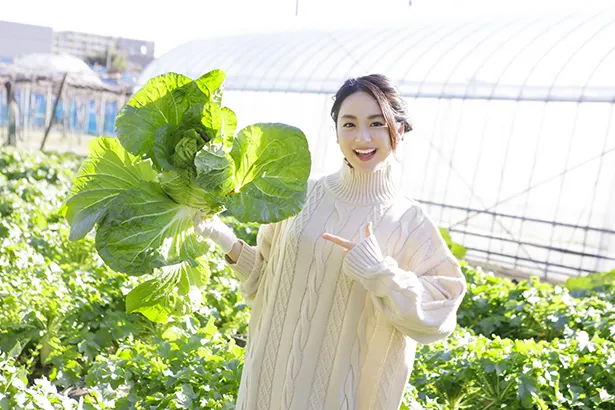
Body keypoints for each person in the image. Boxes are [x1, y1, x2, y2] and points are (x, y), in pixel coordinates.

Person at [194, 74, 467, 410]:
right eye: (349, 124)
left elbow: (439, 316)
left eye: (376, 123)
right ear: (336, 131)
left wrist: (380, 273)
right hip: (266, 385)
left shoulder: (410, 222)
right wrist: (223, 238)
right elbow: (264, 282)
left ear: (398, 128)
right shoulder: (299, 196)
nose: (362, 137)